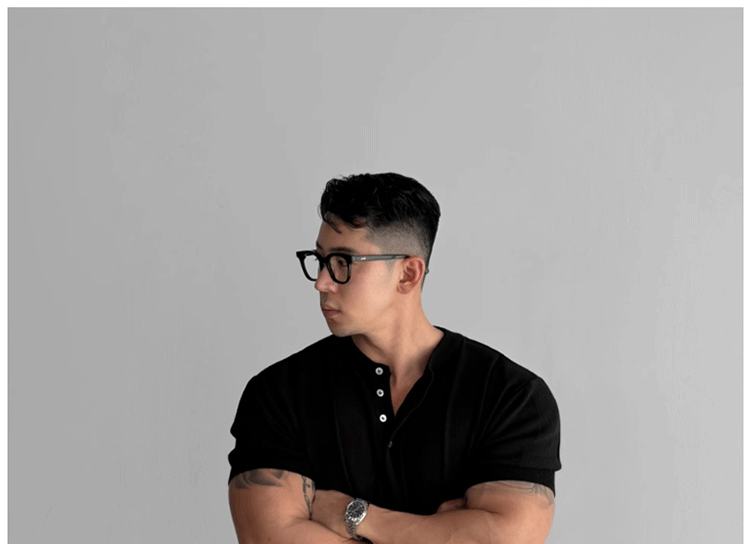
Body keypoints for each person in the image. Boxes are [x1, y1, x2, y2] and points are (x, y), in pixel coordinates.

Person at [227, 173, 562, 544]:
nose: (322, 281)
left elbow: (505, 538)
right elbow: (269, 538)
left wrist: (353, 515)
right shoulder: (278, 393)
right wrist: (442, 533)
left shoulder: (510, 396)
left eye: (343, 261)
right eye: (320, 260)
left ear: (407, 274)